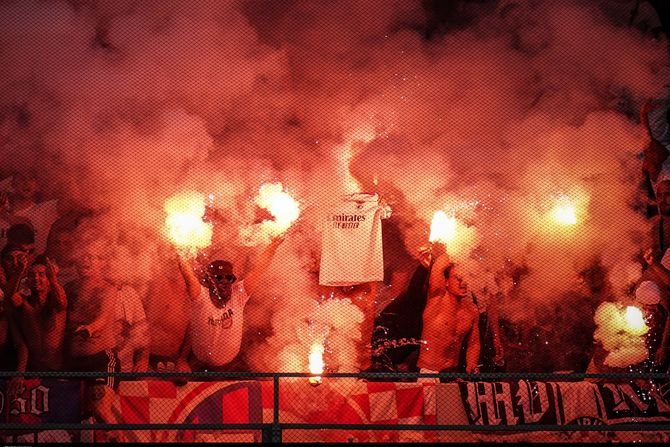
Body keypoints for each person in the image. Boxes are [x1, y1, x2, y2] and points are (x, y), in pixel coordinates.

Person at [187, 235, 284, 372]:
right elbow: (188, 276)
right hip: (199, 364)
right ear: (209, 280)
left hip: (228, 366)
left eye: (228, 277)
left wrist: (272, 247)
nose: (224, 281)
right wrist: (179, 250)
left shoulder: (238, 294)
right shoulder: (201, 295)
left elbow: (258, 270)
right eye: (219, 277)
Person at [64, 236, 121, 423]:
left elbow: (103, 319)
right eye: (82, 256)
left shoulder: (108, 288)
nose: (85, 261)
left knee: (101, 412)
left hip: (100, 360)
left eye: (91, 257)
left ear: (101, 262)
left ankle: (117, 437)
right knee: (73, 420)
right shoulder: (68, 289)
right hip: (71, 363)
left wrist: (89, 328)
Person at [417, 250, 480, 382]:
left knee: (451, 403)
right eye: (458, 278)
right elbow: (438, 267)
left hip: (453, 374)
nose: (463, 284)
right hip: (430, 374)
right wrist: (457, 244)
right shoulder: (437, 298)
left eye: (465, 278)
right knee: (430, 403)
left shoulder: (472, 310)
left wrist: (471, 363)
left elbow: (473, 343)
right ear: (446, 282)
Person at [142, 242, 200, 383]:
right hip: (150, 357)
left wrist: (183, 359)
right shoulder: (160, 284)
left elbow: (192, 331)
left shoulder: (194, 292)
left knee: (183, 381)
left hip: (174, 358)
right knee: (145, 385)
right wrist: (143, 358)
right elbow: (146, 323)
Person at [10, 255, 67, 372]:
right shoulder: (24, 302)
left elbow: (61, 303)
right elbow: (10, 299)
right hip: (32, 369)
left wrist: (53, 278)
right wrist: (19, 273)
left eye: (41, 275)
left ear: (48, 279)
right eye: (31, 275)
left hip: (57, 369)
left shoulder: (55, 299)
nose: (36, 278)